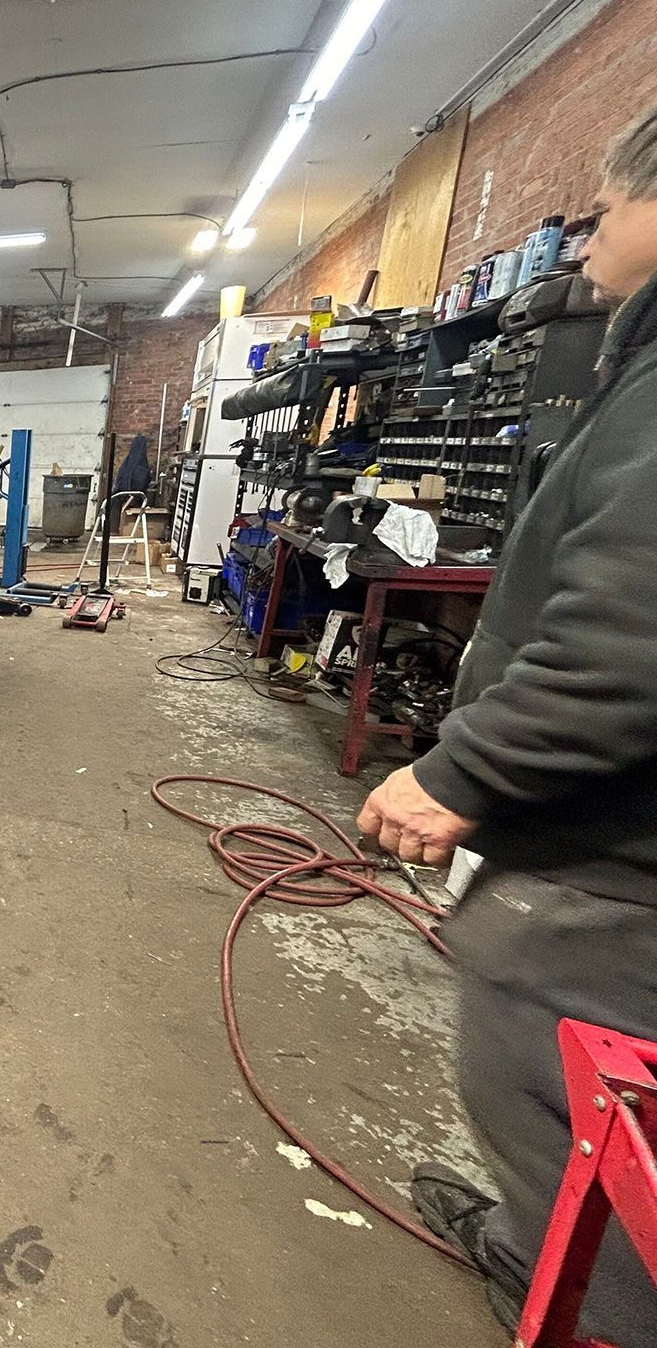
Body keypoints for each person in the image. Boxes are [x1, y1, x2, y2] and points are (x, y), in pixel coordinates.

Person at [358, 109, 657, 1346]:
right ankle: (539, 1244)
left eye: (607, 204)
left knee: (570, 1095)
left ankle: (592, 1304)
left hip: (613, 869)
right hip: (613, 845)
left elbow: (632, 637)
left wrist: (466, 769)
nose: (587, 234)